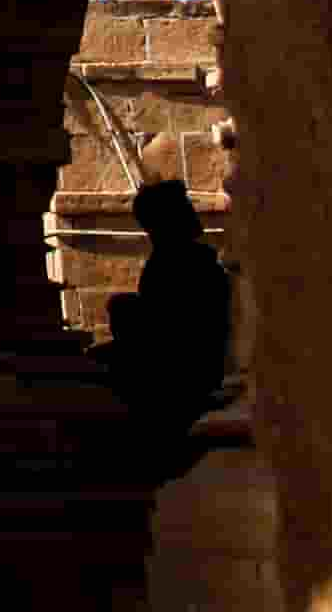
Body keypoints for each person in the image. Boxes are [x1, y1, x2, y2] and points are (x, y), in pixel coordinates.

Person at [100, 176, 233, 480]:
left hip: (184, 371)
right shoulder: (174, 262)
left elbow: (175, 331)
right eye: (185, 207)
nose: (192, 212)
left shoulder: (185, 264)